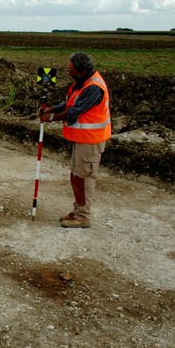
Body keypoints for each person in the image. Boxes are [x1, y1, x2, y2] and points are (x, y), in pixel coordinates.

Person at [38, 52, 111, 228]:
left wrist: (50, 118)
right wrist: (51, 109)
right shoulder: (82, 83)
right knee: (76, 176)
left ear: (84, 70)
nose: (70, 75)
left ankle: (83, 217)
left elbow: (73, 111)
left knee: (84, 178)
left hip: (91, 141)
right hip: (82, 139)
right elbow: (69, 103)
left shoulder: (94, 88)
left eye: (73, 72)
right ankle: (78, 211)